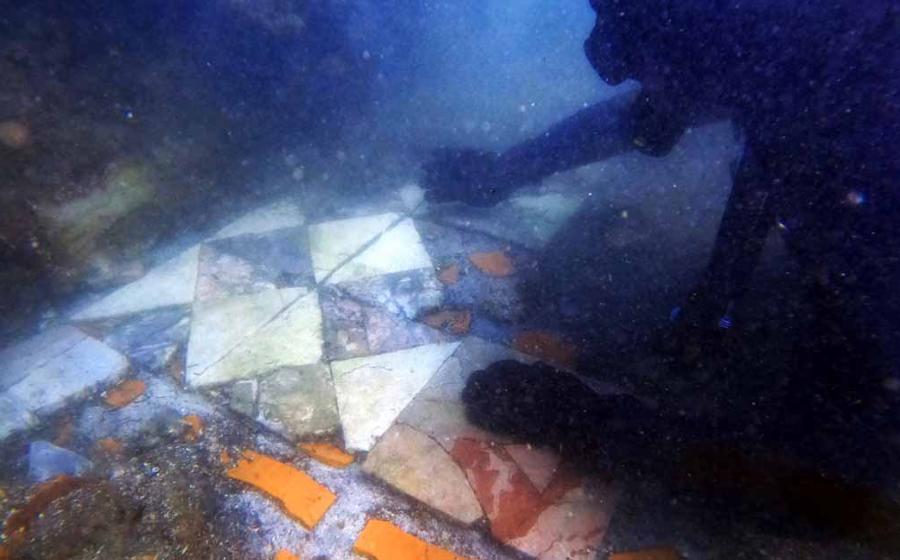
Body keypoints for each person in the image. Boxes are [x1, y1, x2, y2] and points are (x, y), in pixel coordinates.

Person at [426, 0, 900, 476]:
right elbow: (732, 118)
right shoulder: (792, 50)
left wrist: (594, 424)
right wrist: (503, 172)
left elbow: (835, 466)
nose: (609, 64)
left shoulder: (866, 131)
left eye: (624, 22)